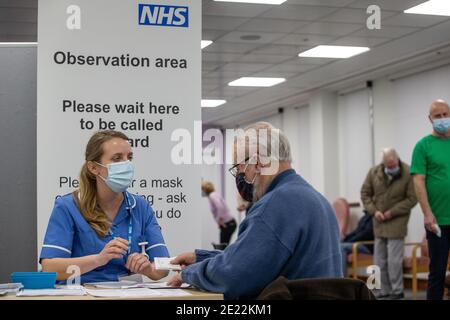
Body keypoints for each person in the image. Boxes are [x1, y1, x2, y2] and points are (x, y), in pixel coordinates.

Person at [168, 122, 342, 299]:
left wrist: (189, 273)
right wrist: (202, 258)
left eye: (239, 168)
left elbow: (233, 275)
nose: (239, 176)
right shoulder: (316, 199)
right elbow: (256, 258)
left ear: (258, 163)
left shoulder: (273, 206)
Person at [40, 130, 169, 283]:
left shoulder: (140, 206)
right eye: (117, 158)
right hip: (80, 294)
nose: (126, 164)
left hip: (127, 294)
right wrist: (98, 260)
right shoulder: (68, 206)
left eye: (129, 157)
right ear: (93, 168)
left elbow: (164, 266)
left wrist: (148, 269)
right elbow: (50, 268)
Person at [361, 148, 417, 299]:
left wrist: (393, 212)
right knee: (378, 260)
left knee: (394, 260)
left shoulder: (408, 173)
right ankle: (380, 291)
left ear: (397, 159)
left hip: (397, 221)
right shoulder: (373, 173)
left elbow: (412, 198)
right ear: (383, 163)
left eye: (393, 165)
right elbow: (365, 194)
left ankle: (397, 290)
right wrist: (374, 211)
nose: (392, 167)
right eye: (388, 165)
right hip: (378, 221)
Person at [411, 99, 450, 300]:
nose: (443, 119)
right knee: (437, 272)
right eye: (438, 116)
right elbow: (419, 182)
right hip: (437, 222)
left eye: (446, 114)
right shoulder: (423, 146)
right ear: (430, 119)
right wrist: (427, 213)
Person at [201, 181, 237, 247]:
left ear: (205, 189)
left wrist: (220, 220)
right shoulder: (214, 194)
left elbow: (220, 206)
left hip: (228, 224)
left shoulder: (212, 195)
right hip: (229, 223)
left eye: (202, 189)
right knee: (223, 246)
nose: (201, 192)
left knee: (223, 247)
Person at [340, 210, 374, 277]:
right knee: (336, 246)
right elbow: (356, 232)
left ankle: (342, 280)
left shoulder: (374, 218)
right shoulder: (364, 217)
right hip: (357, 243)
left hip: (367, 246)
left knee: (341, 248)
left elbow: (366, 234)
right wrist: (345, 238)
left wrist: (350, 240)